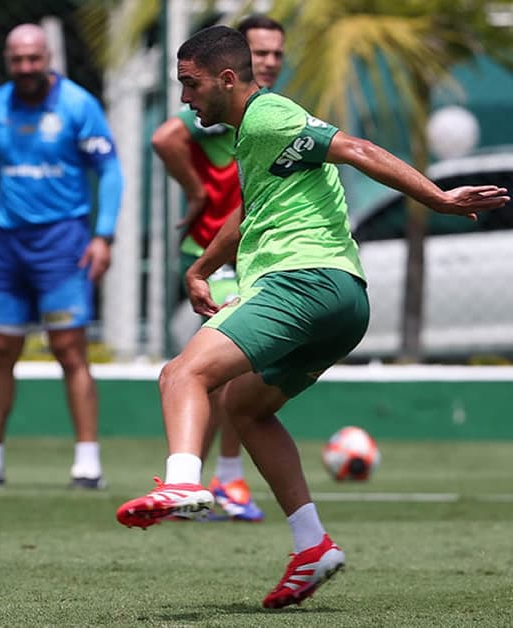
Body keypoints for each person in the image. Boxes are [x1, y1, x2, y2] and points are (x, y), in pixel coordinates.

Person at [115, 25, 507, 608]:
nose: (184, 98)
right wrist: (199, 271)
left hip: (302, 281)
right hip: (343, 301)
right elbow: (249, 214)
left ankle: (181, 482)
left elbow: (359, 150)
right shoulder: (256, 136)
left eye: (189, 84)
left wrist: (440, 199)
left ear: (226, 79)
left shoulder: (270, 115)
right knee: (245, 408)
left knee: (182, 375)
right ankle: (311, 546)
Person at [0, 23, 123, 490]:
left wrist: (103, 235)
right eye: (17, 60)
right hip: (8, 246)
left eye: (33, 59)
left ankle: (87, 464)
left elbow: (110, 169)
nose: (25, 68)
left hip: (63, 245)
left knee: (69, 350)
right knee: (0, 351)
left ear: (47, 59)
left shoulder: (79, 105)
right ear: (8, 61)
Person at [149, 15, 286, 521]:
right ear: (234, 64)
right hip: (218, 256)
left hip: (258, 257)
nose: (269, 61)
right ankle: (214, 481)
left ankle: (210, 479)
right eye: (261, 52)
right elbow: (166, 136)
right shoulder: (219, 107)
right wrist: (199, 191)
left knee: (227, 372)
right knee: (216, 370)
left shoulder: (270, 115)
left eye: (276, 54)